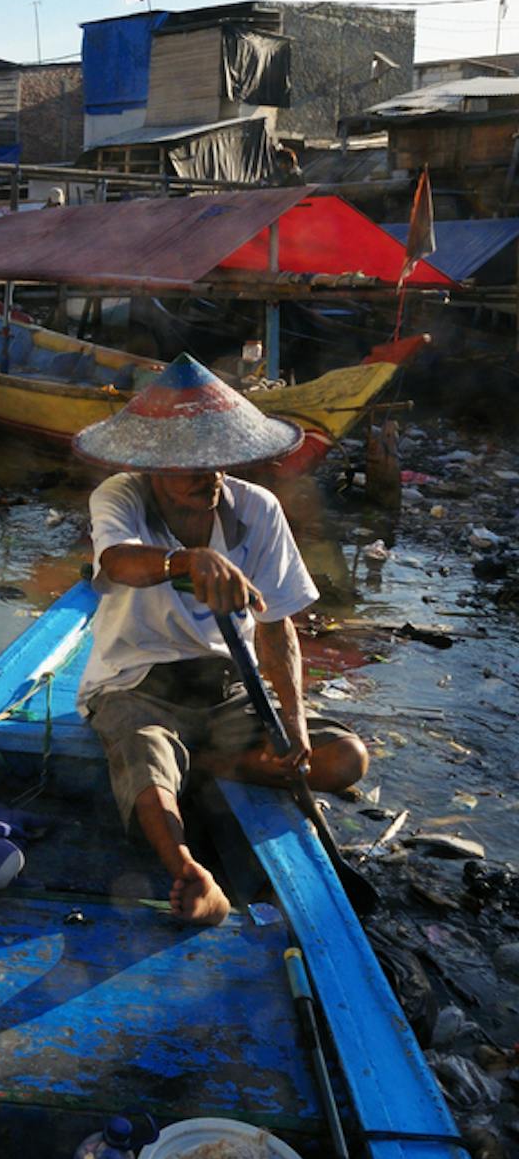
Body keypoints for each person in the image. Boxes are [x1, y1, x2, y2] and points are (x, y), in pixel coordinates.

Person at [74, 354, 368, 927]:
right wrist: (186, 561)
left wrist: (294, 724)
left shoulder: (257, 509)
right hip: (136, 686)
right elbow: (119, 563)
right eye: (187, 465)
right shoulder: (121, 496)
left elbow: (277, 624)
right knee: (144, 758)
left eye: (216, 462)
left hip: (227, 689)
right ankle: (190, 871)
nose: (206, 476)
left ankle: (211, 762)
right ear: (153, 465)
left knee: (345, 758)